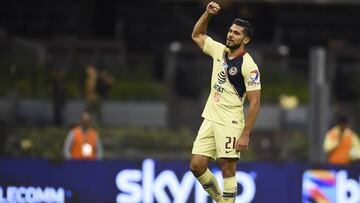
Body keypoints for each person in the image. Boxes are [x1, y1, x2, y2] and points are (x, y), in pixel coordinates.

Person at [189, 2, 261, 203]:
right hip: (210, 118)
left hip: (230, 122)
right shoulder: (219, 51)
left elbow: (255, 102)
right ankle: (222, 201)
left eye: (236, 33)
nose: (231, 35)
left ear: (245, 39)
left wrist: (246, 133)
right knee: (196, 165)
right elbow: (197, 35)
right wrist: (207, 14)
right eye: (230, 31)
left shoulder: (249, 66)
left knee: (227, 167)